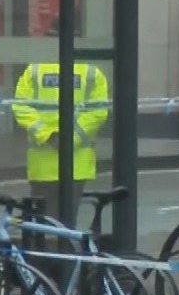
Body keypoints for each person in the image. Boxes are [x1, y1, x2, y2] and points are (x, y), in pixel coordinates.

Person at [10, 60, 110, 218]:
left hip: (43, 165)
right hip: (76, 165)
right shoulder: (91, 73)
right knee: (67, 223)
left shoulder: (34, 71)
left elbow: (21, 107)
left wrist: (47, 135)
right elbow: (98, 112)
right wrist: (71, 138)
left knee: (42, 224)